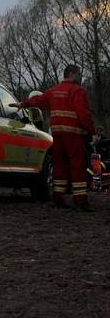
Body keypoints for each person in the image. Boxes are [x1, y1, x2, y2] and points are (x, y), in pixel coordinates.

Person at [17, 65, 96, 211]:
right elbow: (83, 114)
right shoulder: (78, 91)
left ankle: (58, 198)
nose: (80, 77)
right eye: (78, 74)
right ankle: (80, 200)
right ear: (72, 74)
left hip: (57, 134)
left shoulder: (53, 91)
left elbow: (38, 100)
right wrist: (92, 131)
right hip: (74, 134)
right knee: (77, 166)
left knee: (59, 165)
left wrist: (23, 104)